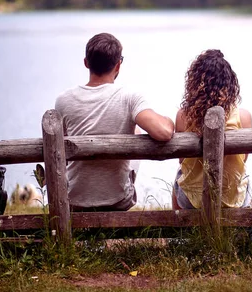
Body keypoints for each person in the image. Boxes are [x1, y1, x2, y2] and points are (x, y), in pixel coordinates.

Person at [55, 33, 174, 212]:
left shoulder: (63, 101)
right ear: (118, 65)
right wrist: (169, 121)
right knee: (136, 133)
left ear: (86, 63)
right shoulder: (129, 98)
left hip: (74, 199)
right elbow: (163, 132)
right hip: (117, 201)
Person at [172, 49, 252, 210]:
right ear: (230, 84)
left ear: (194, 84)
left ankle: (178, 232)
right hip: (232, 198)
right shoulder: (243, 117)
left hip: (193, 201)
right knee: (245, 178)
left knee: (178, 177)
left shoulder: (184, 116)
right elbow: (243, 159)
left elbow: (182, 160)